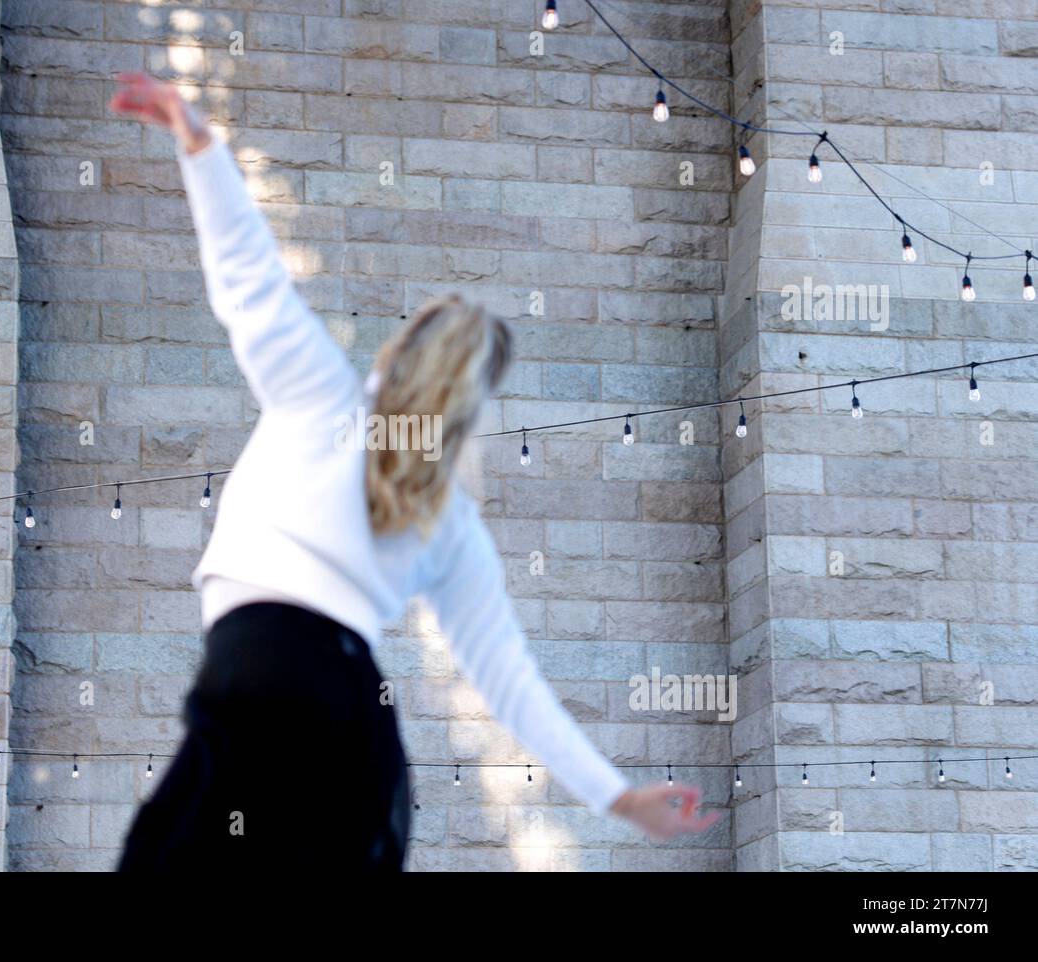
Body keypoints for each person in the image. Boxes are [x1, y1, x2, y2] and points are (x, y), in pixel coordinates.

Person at [109, 72, 720, 871]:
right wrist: (616, 797)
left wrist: (201, 146)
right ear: (475, 404)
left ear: (401, 349)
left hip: (255, 682)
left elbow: (249, 280)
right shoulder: (448, 518)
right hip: (353, 730)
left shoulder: (319, 395)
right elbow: (508, 681)